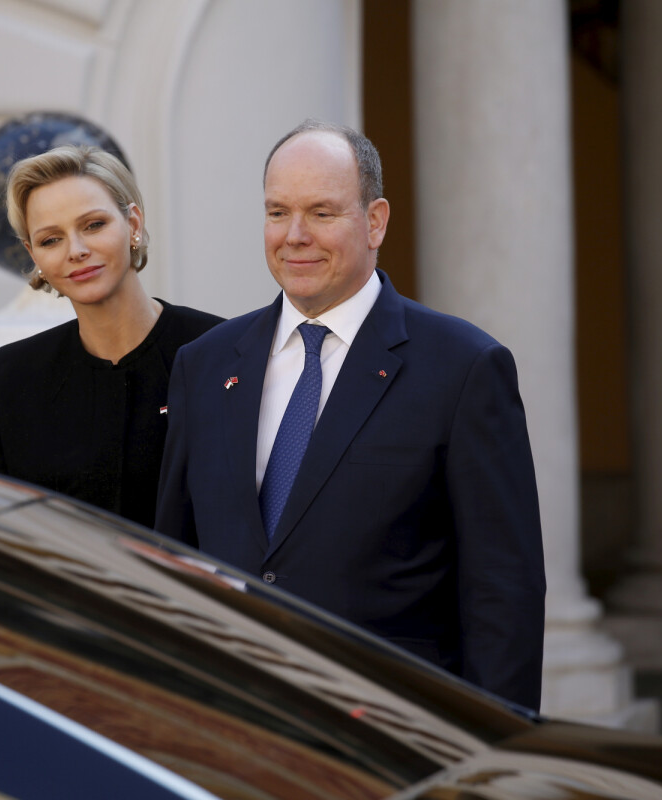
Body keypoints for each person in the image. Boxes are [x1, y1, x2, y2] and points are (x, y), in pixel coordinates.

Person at [154, 121, 546, 710]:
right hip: (231, 723)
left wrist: (495, 753)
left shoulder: (464, 368)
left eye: (322, 213)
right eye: (278, 211)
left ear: (376, 221)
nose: (294, 236)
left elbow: (503, 591)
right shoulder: (205, 366)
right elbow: (175, 562)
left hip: (393, 730)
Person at [0, 145, 221, 528]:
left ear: (133, 225)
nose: (76, 250)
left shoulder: (223, 351)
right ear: (33, 254)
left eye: (93, 225)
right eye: (51, 240)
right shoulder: (8, 378)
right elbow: (7, 536)